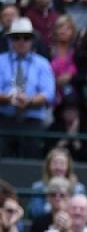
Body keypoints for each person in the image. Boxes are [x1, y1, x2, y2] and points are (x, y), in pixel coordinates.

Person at [0, 18, 54, 158]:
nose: (21, 41)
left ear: (32, 41)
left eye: (26, 38)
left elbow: (48, 93)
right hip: (4, 118)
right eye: (17, 38)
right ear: (11, 40)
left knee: (31, 160)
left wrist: (29, 101)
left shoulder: (42, 63)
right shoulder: (1, 61)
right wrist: (8, 98)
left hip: (32, 119)